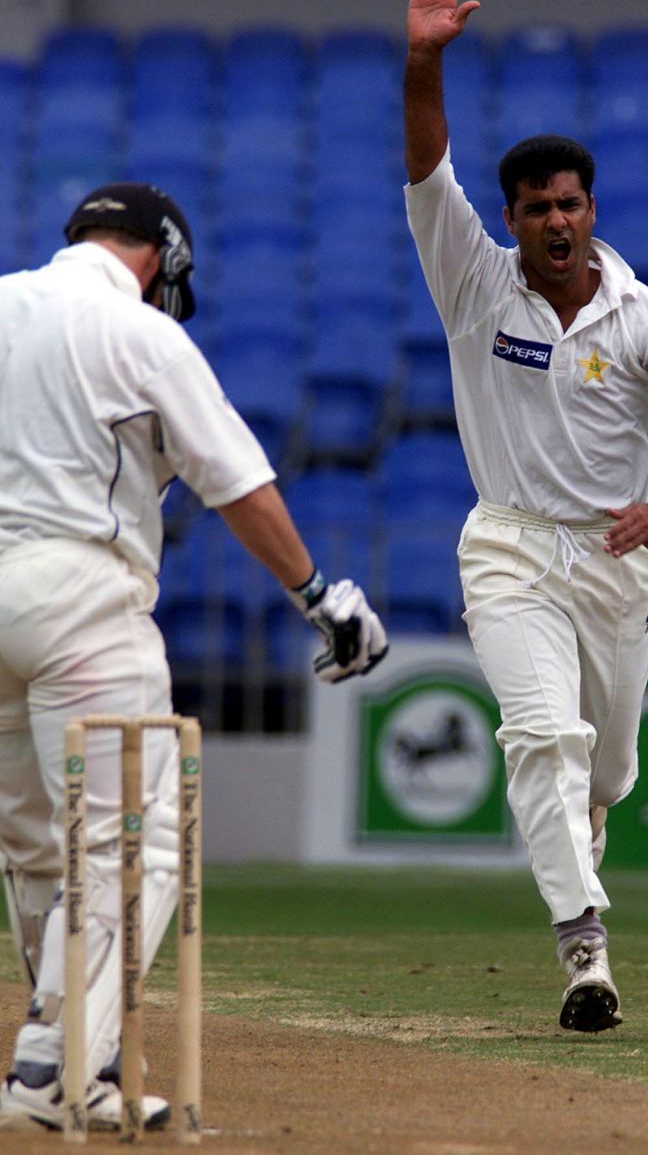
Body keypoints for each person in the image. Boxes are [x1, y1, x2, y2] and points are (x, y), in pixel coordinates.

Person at [403, 0, 648, 1032]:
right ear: (507, 218)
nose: (553, 222)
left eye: (568, 203)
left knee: (602, 771)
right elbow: (425, 173)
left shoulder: (643, 314)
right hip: (507, 545)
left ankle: (586, 834)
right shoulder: (471, 278)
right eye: (533, 208)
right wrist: (422, 66)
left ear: (588, 205)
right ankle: (583, 948)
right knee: (539, 739)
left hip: (614, 562)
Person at [0, 181, 388, 1130]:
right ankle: (52, 1066)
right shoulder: (141, 333)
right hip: (80, 598)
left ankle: (77, 1070)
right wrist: (317, 598)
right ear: (160, 256)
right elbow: (239, 485)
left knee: (37, 845)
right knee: (137, 838)